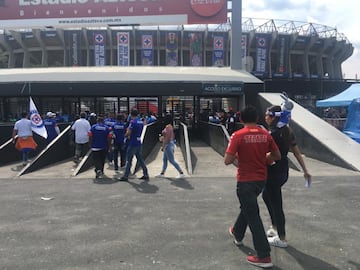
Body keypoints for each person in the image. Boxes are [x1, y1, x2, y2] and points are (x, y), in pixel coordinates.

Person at [224, 105, 281, 269]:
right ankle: (237, 232)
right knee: (248, 208)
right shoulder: (265, 134)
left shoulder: (238, 135)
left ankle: (264, 255)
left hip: (245, 180)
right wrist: (263, 159)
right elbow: (276, 155)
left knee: (253, 215)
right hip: (261, 180)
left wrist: (238, 156)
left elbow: (227, 160)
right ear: (257, 119)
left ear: (241, 119)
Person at [262, 104, 311, 248]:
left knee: (276, 204)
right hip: (283, 171)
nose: (265, 117)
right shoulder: (288, 131)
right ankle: (275, 227)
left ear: (272, 117)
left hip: (273, 172)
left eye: (267, 115)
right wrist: (305, 170)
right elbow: (296, 152)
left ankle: (282, 238)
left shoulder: (272, 135)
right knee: (267, 196)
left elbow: (268, 156)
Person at [119, 109, 149, 181]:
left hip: (132, 142)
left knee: (129, 160)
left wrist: (125, 136)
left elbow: (128, 132)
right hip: (138, 141)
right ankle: (145, 174)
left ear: (131, 114)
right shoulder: (140, 122)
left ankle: (125, 176)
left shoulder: (133, 122)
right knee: (140, 159)